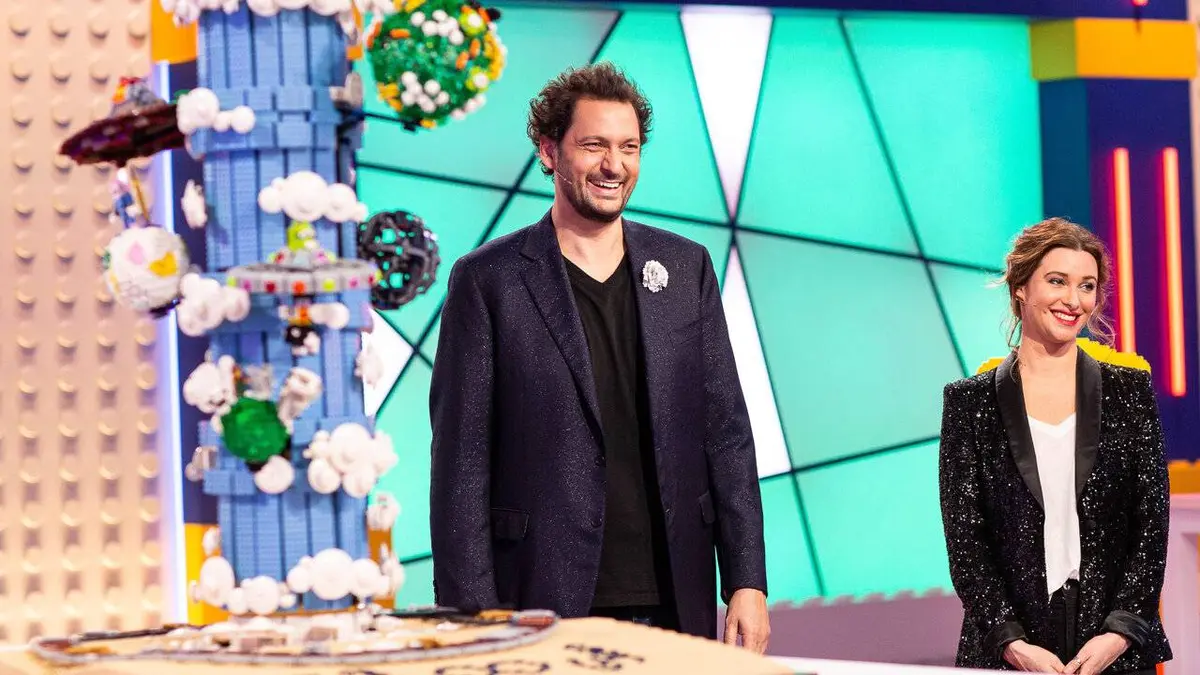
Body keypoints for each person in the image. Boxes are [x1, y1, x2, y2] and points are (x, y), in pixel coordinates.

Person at [428, 62, 770, 650]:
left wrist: (747, 581)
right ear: (549, 151)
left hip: (674, 594)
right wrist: (472, 617)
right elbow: (460, 463)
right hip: (538, 600)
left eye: (628, 147)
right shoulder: (489, 281)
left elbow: (726, 434)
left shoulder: (685, 267)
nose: (614, 164)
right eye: (594, 146)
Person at [938, 218, 1172, 674]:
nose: (1073, 300)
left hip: (1115, 649)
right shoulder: (969, 402)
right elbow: (966, 542)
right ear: (1021, 288)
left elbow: (1151, 525)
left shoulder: (1129, 392)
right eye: (1057, 281)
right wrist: (1011, 644)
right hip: (1011, 650)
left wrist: (1119, 633)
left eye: (1087, 286)